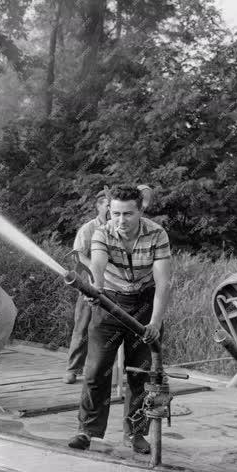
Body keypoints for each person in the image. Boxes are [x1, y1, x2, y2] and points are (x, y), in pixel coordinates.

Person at [68, 185, 171, 454]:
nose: (121, 220)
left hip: (145, 303)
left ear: (140, 211)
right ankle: (86, 431)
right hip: (110, 301)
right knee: (95, 370)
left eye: (127, 214)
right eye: (115, 213)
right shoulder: (103, 232)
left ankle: (135, 434)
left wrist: (156, 323)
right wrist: (97, 289)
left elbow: (163, 283)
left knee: (142, 374)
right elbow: (98, 264)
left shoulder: (157, 234)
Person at [63, 185, 153, 384]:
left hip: (119, 291)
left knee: (115, 335)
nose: (112, 213)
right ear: (100, 207)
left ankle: (113, 375)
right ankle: (73, 368)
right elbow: (79, 256)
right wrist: (98, 275)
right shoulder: (89, 229)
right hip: (90, 287)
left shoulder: (128, 228)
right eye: (107, 207)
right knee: (83, 328)